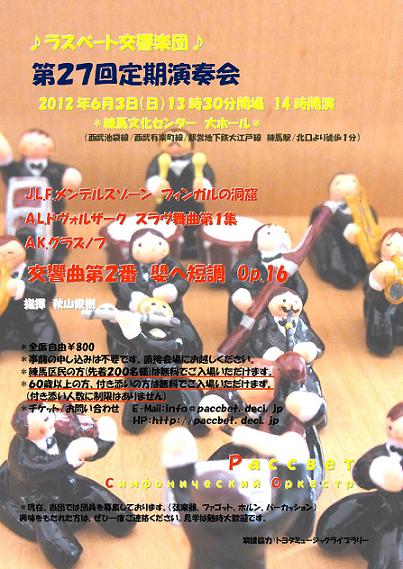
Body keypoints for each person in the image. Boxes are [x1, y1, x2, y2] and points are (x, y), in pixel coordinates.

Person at [0, 402, 134, 569]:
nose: (51, 418)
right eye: (45, 418)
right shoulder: (20, 451)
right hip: (34, 495)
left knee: (90, 492)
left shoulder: (58, 431)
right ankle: (65, 551)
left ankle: (119, 520)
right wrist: (70, 457)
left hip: (64, 481)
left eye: (50, 413)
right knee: (47, 519)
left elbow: (86, 446)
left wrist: (104, 439)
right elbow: (34, 471)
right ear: (27, 430)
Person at [316, 402, 403, 569]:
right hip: (381, 501)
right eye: (392, 428)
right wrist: (376, 473)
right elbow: (360, 472)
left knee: (389, 549)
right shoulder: (384, 452)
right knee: (331, 531)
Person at [0, 129, 82, 263]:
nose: (37, 147)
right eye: (31, 144)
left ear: (50, 150)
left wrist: (71, 176)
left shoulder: (56, 169)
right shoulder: (15, 169)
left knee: (55, 232)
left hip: (52, 212)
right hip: (20, 214)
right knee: (19, 234)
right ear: (22, 149)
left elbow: (69, 177)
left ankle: (56, 254)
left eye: (43, 144)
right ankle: (18, 256)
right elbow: (5, 161)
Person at [145, 128, 215, 258]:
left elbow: (208, 177)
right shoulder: (158, 160)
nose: (174, 141)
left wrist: (203, 186)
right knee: (165, 227)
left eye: (179, 138)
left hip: (192, 204)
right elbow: (151, 176)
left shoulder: (198, 160)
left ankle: (194, 247)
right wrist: (156, 185)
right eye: (169, 139)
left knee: (194, 226)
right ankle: (166, 247)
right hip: (167, 205)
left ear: (191, 144)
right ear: (160, 144)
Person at [227, 223, 308, 332]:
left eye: (284, 233)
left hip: (283, 308)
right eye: (269, 233)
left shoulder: (289, 265)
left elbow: (300, 287)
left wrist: (296, 300)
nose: (280, 237)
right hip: (253, 307)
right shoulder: (248, 263)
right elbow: (237, 280)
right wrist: (246, 297)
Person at [249, 288, 325, 399]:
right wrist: (267, 351)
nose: (291, 305)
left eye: (295, 302)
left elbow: (319, 345)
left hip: (300, 369)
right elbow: (256, 339)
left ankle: (311, 400)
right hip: (272, 369)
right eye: (284, 300)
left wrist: (312, 350)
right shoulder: (264, 321)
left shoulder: (301, 323)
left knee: (311, 387)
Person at [309, 172, 377, 289]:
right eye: (338, 183)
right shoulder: (324, 210)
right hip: (337, 248)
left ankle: (364, 268)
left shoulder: (367, 210)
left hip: (360, 249)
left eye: (353, 181)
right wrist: (344, 232)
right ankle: (341, 272)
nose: (347, 186)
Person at [0, 233, 60, 353]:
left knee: (48, 349)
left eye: (10, 252)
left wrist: (21, 287)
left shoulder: (35, 269)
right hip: (4, 324)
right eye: (1, 254)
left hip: (34, 321)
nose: (5, 256)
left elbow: (49, 290)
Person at [364, 228, 403, 355]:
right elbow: (368, 290)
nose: (398, 249)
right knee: (382, 313)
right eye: (390, 244)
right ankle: (381, 341)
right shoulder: (382, 267)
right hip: (385, 308)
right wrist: (378, 280)